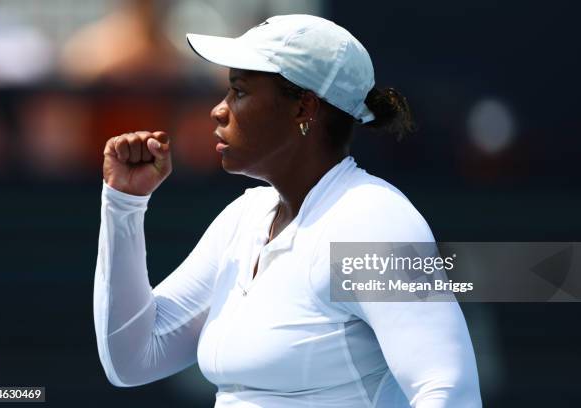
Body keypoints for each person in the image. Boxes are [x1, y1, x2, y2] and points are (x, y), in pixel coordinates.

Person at [94, 14, 482, 407]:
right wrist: (124, 203)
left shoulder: (372, 221)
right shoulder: (243, 219)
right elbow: (132, 360)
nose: (218, 110)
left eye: (239, 92)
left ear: (303, 109)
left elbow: (449, 390)